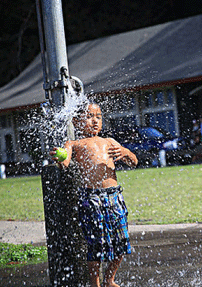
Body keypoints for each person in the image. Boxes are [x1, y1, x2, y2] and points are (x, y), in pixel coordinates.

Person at [50, 101, 138, 287]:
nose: (95, 121)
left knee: (121, 239)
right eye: (89, 117)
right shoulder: (75, 143)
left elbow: (134, 161)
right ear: (76, 121)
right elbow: (65, 163)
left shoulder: (110, 142)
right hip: (91, 198)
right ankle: (94, 283)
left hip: (114, 195)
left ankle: (109, 279)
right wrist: (60, 157)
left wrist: (125, 152)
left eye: (98, 117)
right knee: (96, 243)